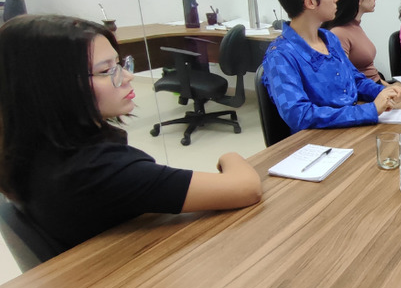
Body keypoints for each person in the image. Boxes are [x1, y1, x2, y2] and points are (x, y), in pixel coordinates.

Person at [0, 15, 262, 252]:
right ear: (52, 88)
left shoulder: (28, 147)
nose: (127, 76)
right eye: (106, 71)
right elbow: (245, 188)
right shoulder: (99, 170)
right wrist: (230, 156)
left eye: (119, 64)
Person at [262, 0, 401, 131]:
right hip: (319, 139)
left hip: (350, 128)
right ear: (310, 2)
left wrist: (381, 92)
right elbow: (299, 115)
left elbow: (355, 80)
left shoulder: (329, 39)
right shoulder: (280, 56)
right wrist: (369, 110)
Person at [321, 0, 384, 83]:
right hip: (365, 91)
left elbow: (373, 74)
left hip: (376, 86)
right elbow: (344, 79)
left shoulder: (355, 26)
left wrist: (389, 87)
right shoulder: (339, 33)